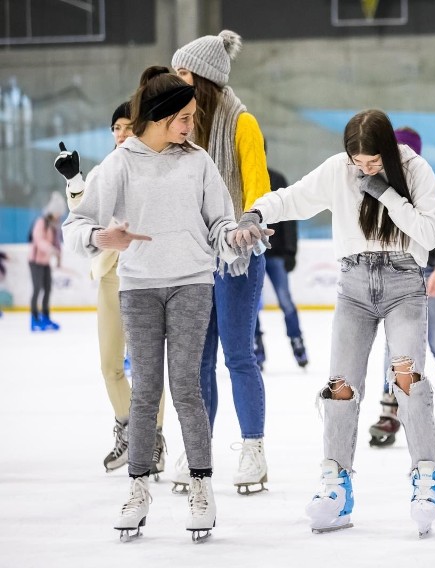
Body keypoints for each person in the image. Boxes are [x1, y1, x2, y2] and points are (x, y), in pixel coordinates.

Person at [232, 109, 435, 537]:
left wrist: (384, 192)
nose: (364, 171)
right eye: (358, 163)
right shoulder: (337, 170)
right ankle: (336, 485)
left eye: (373, 163)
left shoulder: (416, 170)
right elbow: (291, 198)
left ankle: (425, 478)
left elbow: (429, 234)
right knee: (340, 386)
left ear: (388, 151)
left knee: (407, 378)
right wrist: (256, 212)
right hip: (354, 287)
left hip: (405, 282)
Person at [62, 66, 244, 541]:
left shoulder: (199, 160)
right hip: (139, 286)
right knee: (146, 390)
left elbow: (220, 222)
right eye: (184, 117)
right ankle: (139, 486)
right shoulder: (121, 164)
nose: (190, 126)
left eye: (193, 117)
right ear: (161, 117)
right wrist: (104, 236)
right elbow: (76, 228)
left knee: (185, 384)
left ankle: (202, 486)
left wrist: (236, 235)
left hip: (191, 282)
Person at [171, 29, 272, 495]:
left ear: (204, 79)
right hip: (194, 258)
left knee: (238, 355)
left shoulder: (241, 123)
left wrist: (247, 221)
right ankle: (198, 451)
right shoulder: (182, 126)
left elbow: (257, 186)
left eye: (182, 72)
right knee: (198, 361)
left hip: (237, 256)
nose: (176, 79)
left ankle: (253, 448)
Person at [53, 100, 168, 478]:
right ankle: (130, 430)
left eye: (126, 126)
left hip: (149, 274)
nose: (120, 134)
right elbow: (84, 210)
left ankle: (153, 441)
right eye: (115, 128)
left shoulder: (154, 165)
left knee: (149, 368)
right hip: (110, 273)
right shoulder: (106, 169)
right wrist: (73, 179)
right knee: (110, 365)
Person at [368, 127, 435, 447]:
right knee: (392, 348)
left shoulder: (432, 185)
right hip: (395, 273)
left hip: (428, 271)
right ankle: (389, 413)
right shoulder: (382, 187)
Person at [254, 161, 309, 370]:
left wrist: (290, 251)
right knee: (252, 306)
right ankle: (256, 346)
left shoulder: (276, 179)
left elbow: (289, 219)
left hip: (276, 254)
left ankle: (297, 342)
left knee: (285, 300)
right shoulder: (244, 178)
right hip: (252, 254)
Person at [28, 191, 66, 332]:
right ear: (52, 212)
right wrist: (51, 250)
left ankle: (45, 317)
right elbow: (39, 241)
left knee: (48, 289)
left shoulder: (54, 226)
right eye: (58, 213)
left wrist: (59, 258)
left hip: (45, 263)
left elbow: (57, 244)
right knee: (37, 289)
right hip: (35, 262)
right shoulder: (41, 222)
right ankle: (34, 319)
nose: (59, 216)